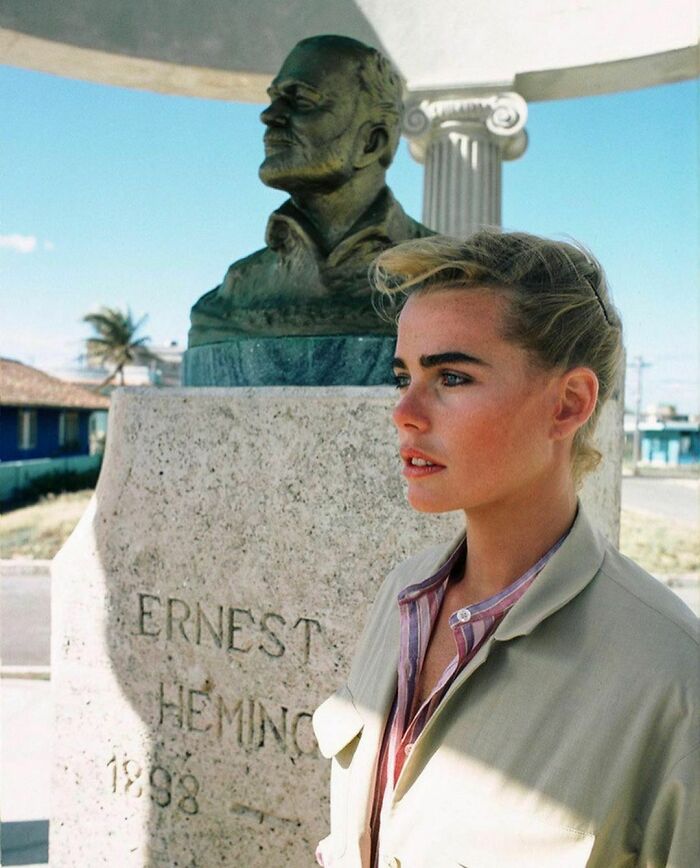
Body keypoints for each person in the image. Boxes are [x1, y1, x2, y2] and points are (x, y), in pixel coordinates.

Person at [312, 231, 699, 868]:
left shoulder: (676, 679)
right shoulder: (403, 595)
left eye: (452, 376)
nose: (403, 411)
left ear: (568, 403)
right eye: (403, 376)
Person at [188, 35, 433, 347]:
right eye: (274, 98)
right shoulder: (236, 290)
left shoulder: (445, 278)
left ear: (372, 141)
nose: (269, 115)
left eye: (301, 100)